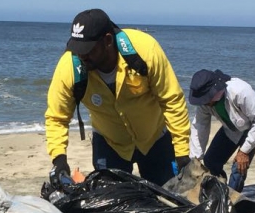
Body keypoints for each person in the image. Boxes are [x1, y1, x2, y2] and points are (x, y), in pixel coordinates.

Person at [45, 9, 191, 187]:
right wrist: (59, 159)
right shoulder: (70, 66)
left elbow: (172, 100)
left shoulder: (145, 50)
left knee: (169, 199)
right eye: (77, 49)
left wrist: (182, 152)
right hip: (109, 143)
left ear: (107, 40)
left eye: (88, 50)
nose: (81, 56)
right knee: (111, 205)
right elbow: (56, 118)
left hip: (154, 139)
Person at [188, 69, 255, 192]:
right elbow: (200, 126)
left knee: (238, 167)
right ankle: (219, 191)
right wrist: (196, 157)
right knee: (211, 161)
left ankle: (232, 200)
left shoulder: (240, 91)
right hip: (232, 128)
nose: (204, 103)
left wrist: (244, 151)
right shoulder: (204, 104)